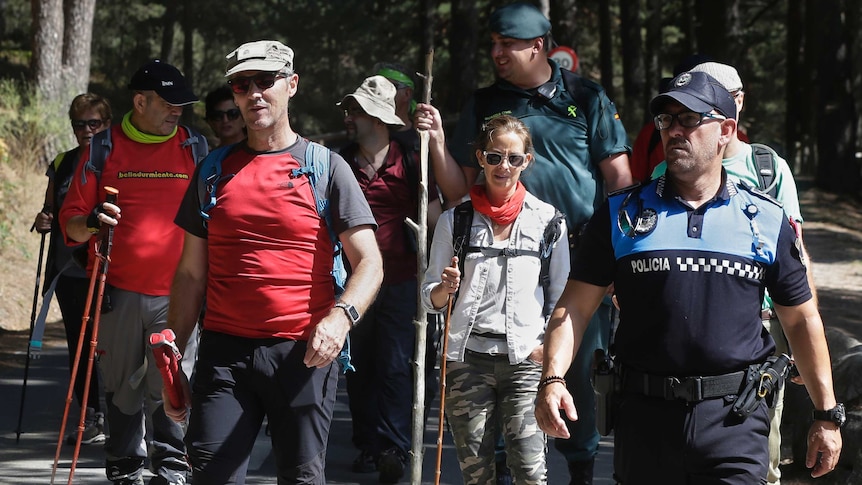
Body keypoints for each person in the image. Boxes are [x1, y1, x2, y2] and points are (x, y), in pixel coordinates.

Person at [535, 70, 843, 484]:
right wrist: (552, 379)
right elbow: (573, 307)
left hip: (736, 422)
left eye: (690, 119)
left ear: (726, 130)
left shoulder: (766, 220)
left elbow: (802, 319)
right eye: (666, 120)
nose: (674, 130)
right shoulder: (619, 215)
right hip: (643, 421)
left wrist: (826, 414)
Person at [415, 3, 632, 482]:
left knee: (572, 374)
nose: (496, 52)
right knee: (496, 377)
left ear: (537, 46)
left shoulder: (586, 97)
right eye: (493, 43)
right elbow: (458, 192)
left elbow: (619, 180)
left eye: (506, 44)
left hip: (579, 260)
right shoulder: (484, 102)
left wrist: (620, 253)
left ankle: (580, 471)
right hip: (495, 256)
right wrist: (436, 141)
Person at [162, 40, 383, 484]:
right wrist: (174, 356)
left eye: (266, 81)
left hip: (303, 353)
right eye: (243, 84)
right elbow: (189, 274)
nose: (254, 93)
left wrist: (340, 319)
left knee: (301, 477)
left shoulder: (326, 168)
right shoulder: (211, 170)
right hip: (224, 354)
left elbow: (371, 263)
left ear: (292, 85)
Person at [652, 61, 814, 485]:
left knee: (765, 445)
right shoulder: (664, 171)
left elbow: (797, 254)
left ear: (738, 103)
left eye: (732, 94)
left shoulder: (768, 166)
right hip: (684, 330)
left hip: (762, 324)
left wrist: (805, 335)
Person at [59, 60, 204, 485]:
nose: (177, 110)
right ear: (139, 102)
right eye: (167, 102)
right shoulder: (101, 149)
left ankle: (172, 469)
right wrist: (92, 221)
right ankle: (125, 470)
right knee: (122, 389)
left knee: (172, 386)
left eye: (182, 104)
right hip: (116, 292)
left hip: (179, 295)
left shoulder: (195, 148)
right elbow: (70, 225)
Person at [422, 114, 569, 484]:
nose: (504, 166)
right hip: (465, 361)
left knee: (530, 471)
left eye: (514, 158)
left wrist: (545, 355)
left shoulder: (548, 221)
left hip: (524, 362)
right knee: (476, 474)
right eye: (494, 157)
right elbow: (429, 299)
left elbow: (561, 301)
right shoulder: (454, 221)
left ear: (527, 162)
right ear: (480, 157)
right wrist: (445, 288)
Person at [336, 74, 431, 483]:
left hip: (402, 280)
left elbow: (439, 206)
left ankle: (393, 447)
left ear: (376, 117)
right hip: (354, 281)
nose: (348, 116)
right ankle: (368, 446)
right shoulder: (339, 161)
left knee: (395, 365)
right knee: (359, 367)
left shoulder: (411, 157)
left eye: (354, 110)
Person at [33, 92, 111, 446]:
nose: (87, 130)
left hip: (109, 271)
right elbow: (50, 207)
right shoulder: (63, 162)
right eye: (80, 124)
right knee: (78, 347)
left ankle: (118, 416)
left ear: (107, 124)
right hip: (69, 271)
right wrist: (44, 219)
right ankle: (89, 416)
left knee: (109, 347)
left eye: (94, 123)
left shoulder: (115, 160)